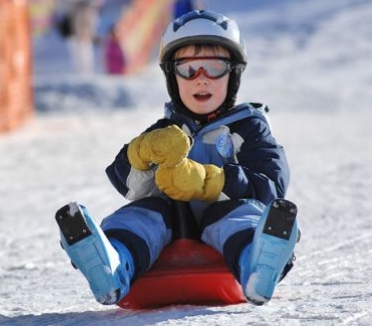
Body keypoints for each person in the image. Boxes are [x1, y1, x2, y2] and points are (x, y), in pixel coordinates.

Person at [55, 10, 300, 306]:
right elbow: (126, 183)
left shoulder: (248, 128)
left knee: (238, 216)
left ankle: (257, 262)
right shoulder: (165, 130)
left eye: (214, 67)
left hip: (225, 235)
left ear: (233, 73)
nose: (201, 79)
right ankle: (112, 263)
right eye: (188, 68)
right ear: (172, 75)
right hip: (167, 234)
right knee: (141, 214)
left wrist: (209, 181)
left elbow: (271, 185)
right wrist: (140, 153)